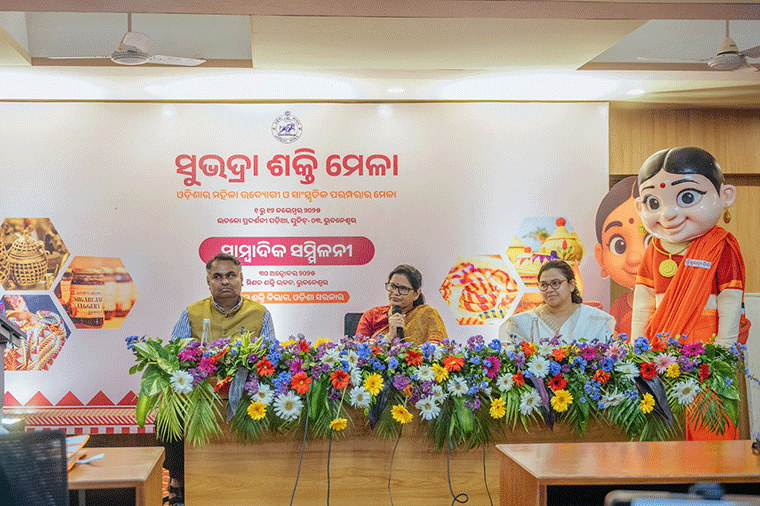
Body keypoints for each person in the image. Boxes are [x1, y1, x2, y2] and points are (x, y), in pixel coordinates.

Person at [631, 146, 748, 440]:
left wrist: (723, 349)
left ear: (725, 196)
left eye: (687, 197)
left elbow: (730, 301)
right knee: (663, 422)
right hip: (660, 348)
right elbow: (643, 303)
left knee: (708, 417)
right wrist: (637, 347)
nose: (668, 213)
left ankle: (710, 467)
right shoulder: (654, 249)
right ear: (639, 207)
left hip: (707, 345)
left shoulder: (720, 246)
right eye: (653, 202)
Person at [163, 253, 275, 505]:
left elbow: (270, 357)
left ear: (241, 279)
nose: (225, 281)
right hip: (199, 393)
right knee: (169, 412)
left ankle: (258, 482)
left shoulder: (260, 314)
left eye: (230, 275)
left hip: (245, 394)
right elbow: (173, 353)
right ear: (208, 282)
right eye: (217, 276)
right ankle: (178, 478)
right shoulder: (192, 312)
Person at [499, 259, 615, 343]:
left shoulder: (595, 319)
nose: (549, 290)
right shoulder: (522, 323)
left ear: (571, 285)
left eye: (555, 283)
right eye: (544, 285)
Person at [594, 176, 651, 338]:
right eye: (618, 245)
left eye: (650, 241)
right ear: (600, 256)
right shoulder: (620, 306)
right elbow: (612, 339)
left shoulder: (675, 302)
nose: (633, 258)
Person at [355, 264, 447, 345]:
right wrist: (389, 337)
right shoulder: (371, 316)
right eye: (392, 286)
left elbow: (439, 352)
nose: (395, 293)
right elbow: (357, 352)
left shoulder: (427, 315)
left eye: (403, 288)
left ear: (416, 294)